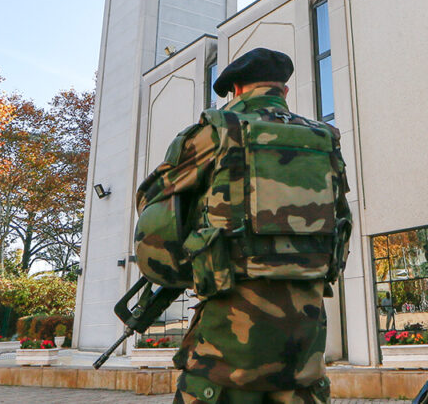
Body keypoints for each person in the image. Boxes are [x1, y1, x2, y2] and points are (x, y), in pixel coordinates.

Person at [134, 48, 352, 404]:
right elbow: (342, 220)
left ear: (236, 89)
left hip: (225, 356)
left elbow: (152, 200)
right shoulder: (324, 138)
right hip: (304, 355)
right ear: (283, 91)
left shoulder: (216, 133)